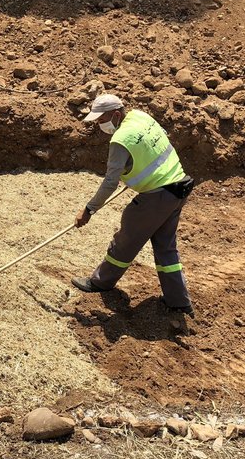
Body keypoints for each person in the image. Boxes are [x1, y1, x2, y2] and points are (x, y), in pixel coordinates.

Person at [71, 94, 195, 316]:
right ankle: (179, 301)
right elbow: (157, 143)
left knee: (126, 238)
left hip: (158, 196)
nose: (100, 124)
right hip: (180, 186)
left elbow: (110, 182)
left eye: (101, 120)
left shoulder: (121, 139)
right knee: (166, 246)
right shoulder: (140, 117)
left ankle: (100, 282)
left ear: (116, 114)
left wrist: (89, 210)